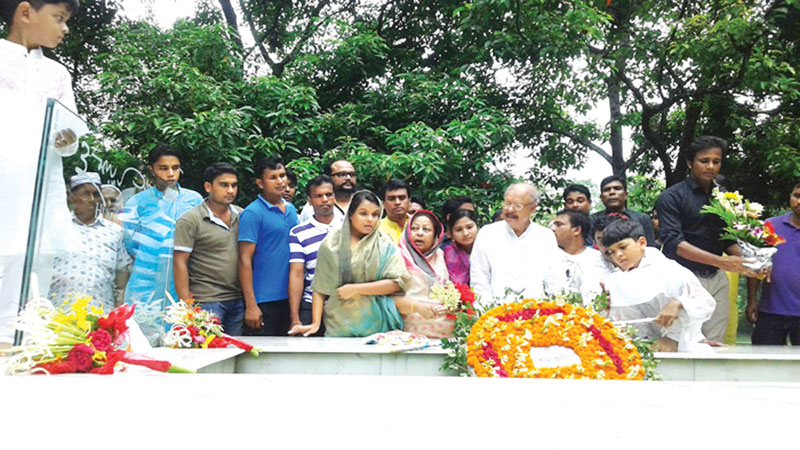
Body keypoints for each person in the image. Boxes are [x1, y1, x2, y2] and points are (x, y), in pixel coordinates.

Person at [0, 0, 81, 344]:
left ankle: (25, 340)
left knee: (35, 255)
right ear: (25, 12)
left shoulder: (57, 73)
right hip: (5, 177)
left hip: (41, 181)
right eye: (59, 18)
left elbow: (70, 135)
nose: (65, 29)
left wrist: (66, 138)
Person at [656, 135, 759, 342]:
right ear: (689, 163)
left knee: (715, 343)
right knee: (680, 341)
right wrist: (722, 261)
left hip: (717, 278)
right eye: (704, 161)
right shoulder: (671, 197)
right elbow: (676, 244)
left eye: (716, 161)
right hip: (683, 279)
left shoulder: (723, 197)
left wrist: (752, 263)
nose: (711, 166)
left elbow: (727, 238)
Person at [289, 191, 410, 337]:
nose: (370, 220)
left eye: (375, 214)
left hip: (378, 326)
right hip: (338, 325)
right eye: (363, 214)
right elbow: (320, 287)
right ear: (351, 215)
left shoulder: (384, 245)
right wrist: (315, 323)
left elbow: (398, 282)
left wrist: (356, 289)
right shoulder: (332, 244)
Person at [120, 145, 202, 344]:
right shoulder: (137, 202)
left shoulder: (194, 200)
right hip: (145, 281)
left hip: (183, 280)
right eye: (163, 168)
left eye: (175, 168)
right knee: (140, 340)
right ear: (152, 169)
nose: (171, 174)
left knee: (180, 338)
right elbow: (131, 244)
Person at [601, 220, 716, 352]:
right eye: (612, 252)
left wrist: (678, 303)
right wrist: (605, 308)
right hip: (639, 347)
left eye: (622, 247)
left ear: (642, 243)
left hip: (681, 344)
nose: (618, 255)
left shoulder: (669, 269)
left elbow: (705, 302)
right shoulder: (614, 281)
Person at [173, 163, 244, 336]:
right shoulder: (191, 220)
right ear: (208, 187)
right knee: (209, 353)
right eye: (224, 185)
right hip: (207, 300)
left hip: (239, 300)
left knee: (239, 355)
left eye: (234, 185)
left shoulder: (243, 215)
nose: (230, 191)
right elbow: (179, 262)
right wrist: (187, 306)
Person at [48, 172, 131, 312]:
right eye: (86, 194)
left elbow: (122, 274)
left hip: (100, 315)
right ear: (72, 197)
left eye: (97, 195)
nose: (92, 199)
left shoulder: (114, 232)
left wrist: (118, 311)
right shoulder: (56, 227)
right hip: (58, 313)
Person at [470, 183, 566, 305]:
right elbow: (479, 280)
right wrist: (486, 314)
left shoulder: (545, 236)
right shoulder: (487, 234)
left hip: (537, 315)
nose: (510, 210)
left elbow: (556, 280)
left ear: (533, 208)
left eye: (517, 206)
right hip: (496, 315)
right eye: (507, 204)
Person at [238, 157, 298, 336]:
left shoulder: (292, 209)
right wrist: (251, 305)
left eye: (282, 176)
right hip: (263, 300)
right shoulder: (252, 213)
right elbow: (244, 260)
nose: (280, 182)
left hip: (291, 298)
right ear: (260, 183)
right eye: (273, 177)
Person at [746, 181, 800, 345]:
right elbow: (756, 263)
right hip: (771, 310)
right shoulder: (770, 226)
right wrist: (752, 300)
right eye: (797, 196)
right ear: (790, 197)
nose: (799, 202)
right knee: (764, 366)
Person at [287, 175, 342, 337]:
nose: (325, 200)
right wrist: (295, 316)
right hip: (310, 305)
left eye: (329, 195)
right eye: (319, 196)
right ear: (310, 200)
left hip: (345, 306)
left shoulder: (349, 226)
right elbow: (296, 274)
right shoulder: (298, 232)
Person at [394, 210, 451, 338]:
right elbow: (388, 300)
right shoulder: (397, 256)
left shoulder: (440, 255)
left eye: (426, 229)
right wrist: (417, 307)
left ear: (435, 236)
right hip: (410, 330)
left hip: (444, 330)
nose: (419, 233)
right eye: (414, 228)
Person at [549, 209, 604, 301]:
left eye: (559, 225)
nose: (552, 229)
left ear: (577, 230)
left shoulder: (599, 259)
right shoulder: (546, 257)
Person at [592, 175, 656, 246]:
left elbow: (650, 247)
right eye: (607, 190)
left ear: (625, 195)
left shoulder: (642, 219)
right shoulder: (593, 220)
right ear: (601, 197)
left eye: (617, 188)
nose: (612, 192)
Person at [444, 209, 479, 285]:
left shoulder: (488, 248)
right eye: (459, 230)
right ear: (451, 233)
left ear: (477, 226)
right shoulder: (450, 255)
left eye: (469, 227)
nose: (465, 233)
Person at [379, 179, 411, 244]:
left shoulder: (420, 225)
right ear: (383, 204)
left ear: (409, 201)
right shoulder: (377, 229)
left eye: (402, 198)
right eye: (391, 199)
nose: (397, 202)